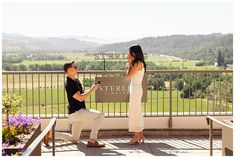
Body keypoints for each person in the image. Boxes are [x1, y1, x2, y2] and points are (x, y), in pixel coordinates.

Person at [44, 61, 105, 147]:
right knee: (100, 115)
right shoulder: (69, 83)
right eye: (75, 67)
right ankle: (93, 140)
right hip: (78, 112)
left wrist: (93, 88)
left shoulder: (76, 80)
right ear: (69, 70)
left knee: (74, 139)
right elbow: (80, 98)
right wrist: (92, 90)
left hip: (76, 114)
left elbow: (82, 94)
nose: (76, 68)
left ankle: (50, 134)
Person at [125, 44, 146, 145]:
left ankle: (136, 135)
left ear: (133, 53)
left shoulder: (137, 64)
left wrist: (128, 65)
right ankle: (140, 133)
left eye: (129, 53)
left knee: (134, 112)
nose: (128, 55)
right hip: (136, 89)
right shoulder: (139, 63)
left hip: (136, 89)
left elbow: (128, 76)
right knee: (137, 111)